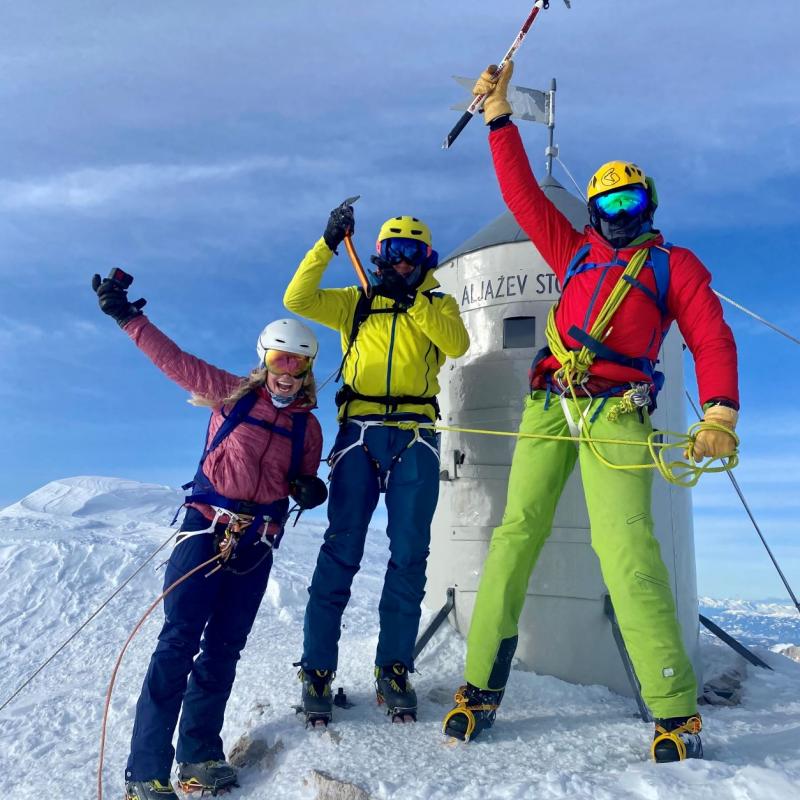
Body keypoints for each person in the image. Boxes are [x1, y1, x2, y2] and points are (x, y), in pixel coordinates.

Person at [442, 63, 740, 762]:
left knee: (627, 552)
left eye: (629, 202)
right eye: (606, 206)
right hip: (548, 405)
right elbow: (520, 191)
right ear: (594, 215)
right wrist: (497, 116)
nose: (617, 215)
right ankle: (478, 687)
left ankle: (674, 708)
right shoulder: (571, 249)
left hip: (616, 416)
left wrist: (719, 410)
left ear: (649, 204)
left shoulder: (675, 266)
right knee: (513, 538)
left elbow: (710, 334)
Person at [91, 271, 326, 799]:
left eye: (300, 362)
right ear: (265, 358)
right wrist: (127, 316)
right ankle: (144, 772)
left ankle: (198, 754)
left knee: (223, 648)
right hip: (205, 530)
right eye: (281, 359)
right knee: (177, 645)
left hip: (256, 542)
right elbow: (173, 360)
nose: (289, 372)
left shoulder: (308, 428)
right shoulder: (230, 394)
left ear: (309, 368)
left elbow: (299, 479)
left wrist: (308, 489)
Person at [284, 208, 470, 724]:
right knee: (341, 550)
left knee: (410, 556)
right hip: (359, 432)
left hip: (415, 435)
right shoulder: (356, 302)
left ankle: (393, 667)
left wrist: (412, 302)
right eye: (393, 252)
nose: (402, 261)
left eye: (412, 253)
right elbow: (296, 299)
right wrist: (324, 243)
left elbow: (457, 344)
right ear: (380, 255)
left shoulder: (437, 304)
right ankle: (317, 670)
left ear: (426, 259)